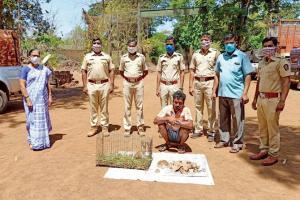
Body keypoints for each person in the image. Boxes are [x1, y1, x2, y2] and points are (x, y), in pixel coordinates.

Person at [250, 37, 291, 166]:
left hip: (273, 99)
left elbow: (286, 82)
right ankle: (264, 149)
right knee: (262, 126)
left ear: (275, 47)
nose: (268, 48)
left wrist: (282, 101)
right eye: (265, 46)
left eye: (270, 46)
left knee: (272, 128)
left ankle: (273, 154)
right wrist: (255, 98)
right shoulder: (262, 63)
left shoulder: (281, 62)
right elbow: (259, 82)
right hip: (261, 99)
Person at [212, 33, 253, 153]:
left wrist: (245, 93)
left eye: (231, 42)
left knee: (237, 120)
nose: (229, 45)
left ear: (236, 43)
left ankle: (237, 143)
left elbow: (248, 75)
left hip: (236, 94)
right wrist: (214, 91)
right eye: (226, 43)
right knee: (223, 119)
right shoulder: (221, 57)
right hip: (223, 93)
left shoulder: (242, 56)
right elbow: (217, 74)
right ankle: (224, 140)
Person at [19, 49, 53, 150]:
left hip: (42, 100)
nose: (36, 57)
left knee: (42, 120)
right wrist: (27, 98)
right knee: (31, 120)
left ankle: (43, 142)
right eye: (34, 55)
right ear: (29, 57)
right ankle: (32, 141)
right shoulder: (25, 69)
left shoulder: (44, 69)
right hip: (30, 99)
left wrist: (50, 96)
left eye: (38, 55)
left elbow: (47, 84)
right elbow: (22, 84)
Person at [81, 37, 115, 137]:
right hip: (91, 84)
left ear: (101, 45)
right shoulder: (87, 57)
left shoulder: (107, 57)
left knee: (104, 108)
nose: (96, 45)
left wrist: (112, 84)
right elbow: (83, 71)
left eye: (98, 43)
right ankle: (94, 127)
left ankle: (105, 127)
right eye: (95, 43)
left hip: (104, 84)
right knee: (93, 107)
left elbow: (112, 70)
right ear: (92, 45)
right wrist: (84, 86)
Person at [189, 34, 220, 141]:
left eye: (206, 40)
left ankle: (211, 131)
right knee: (198, 107)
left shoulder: (215, 53)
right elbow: (192, 70)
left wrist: (216, 88)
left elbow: (218, 71)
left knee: (211, 107)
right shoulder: (196, 54)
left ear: (210, 41)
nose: (204, 42)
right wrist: (190, 86)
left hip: (210, 82)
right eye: (202, 40)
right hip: (197, 83)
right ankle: (198, 129)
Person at [119, 38, 148, 137]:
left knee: (139, 106)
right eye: (130, 46)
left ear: (136, 47)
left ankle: (140, 126)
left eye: (133, 46)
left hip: (139, 83)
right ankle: (127, 128)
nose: (131, 48)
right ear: (127, 46)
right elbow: (121, 71)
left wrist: (138, 79)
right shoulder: (123, 58)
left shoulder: (141, 57)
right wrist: (128, 79)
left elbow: (145, 71)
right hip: (127, 84)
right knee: (127, 106)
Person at [156, 36, 185, 108]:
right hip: (163, 86)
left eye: (171, 44)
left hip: (174, 86)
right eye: (167, 44)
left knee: (175, 107)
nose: (169, 46)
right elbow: (159, 73)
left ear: (174, 45)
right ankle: (165, 119)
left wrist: (181, 87)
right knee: (163, 108)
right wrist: (157, 88)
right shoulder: (161, 57)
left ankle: (174, 119)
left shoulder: (179, 57)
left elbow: (182, 72)